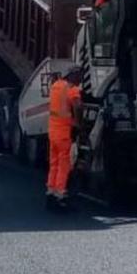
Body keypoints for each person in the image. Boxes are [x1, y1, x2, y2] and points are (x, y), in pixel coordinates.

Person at [46, 67, 84, 210]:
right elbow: (78, 106)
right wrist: (79, 123)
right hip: (64, 133)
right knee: (64, 165)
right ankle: (60, 195)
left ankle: (50, 192)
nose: (80, 80)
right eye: (79, 76)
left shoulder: (56, 86)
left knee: (54, 164)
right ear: (73, 75)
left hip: (53, 131)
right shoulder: (72, 90)